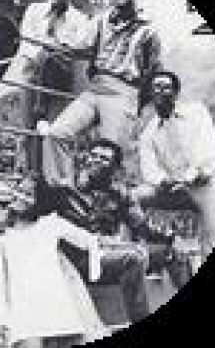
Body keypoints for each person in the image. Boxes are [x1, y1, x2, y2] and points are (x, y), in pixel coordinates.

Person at [36, 0, 161, 186]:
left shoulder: (148, 30)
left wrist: (137, 104)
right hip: (95, 87)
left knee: (111, 152)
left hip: (124, 90)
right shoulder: (101, 21)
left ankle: (108, 199)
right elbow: (82, 47)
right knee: (56, 133)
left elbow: (153, 71)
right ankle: (60, 188)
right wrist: (57, 46)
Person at [0, 0, 95, 175]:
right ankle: (28, 172)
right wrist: (44, 50)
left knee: (54, 128)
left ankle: (49, 174)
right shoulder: (34, 10)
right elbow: (25, 39)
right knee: (27, 124)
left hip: (60, 76)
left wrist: (53, 48)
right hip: (31, 70)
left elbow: (77, 45)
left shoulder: (80, 19)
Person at [0, 177, 110, 347]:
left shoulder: (51, 223)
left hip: (59, 308)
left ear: (39, 201)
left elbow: (89, 240)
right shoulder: (1, 235)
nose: (21, 196)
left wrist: (94, 273)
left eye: (29, 194)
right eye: (19, 190)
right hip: (25, 314)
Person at [46, 139, 151, 325]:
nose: (95, 160)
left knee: (173, 253)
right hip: (77, 258)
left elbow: (140, 225)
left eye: (104, 158)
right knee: (133, 258)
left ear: (114, 167)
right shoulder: (63, 189)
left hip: (108, 255)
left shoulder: (120, 193)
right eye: (93, 155)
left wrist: (146, 242)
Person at [135, 71, 215, 262]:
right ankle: (142, 253)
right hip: (173, 189)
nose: (161, 91)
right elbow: (149, 169)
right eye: (156, 87)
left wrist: (187, 179)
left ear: (175, 93)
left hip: (205, 186)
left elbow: (206, 153)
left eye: (166, 87)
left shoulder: (197, 113)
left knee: (213, 241)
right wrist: (164, 181)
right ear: (150, 93)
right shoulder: (149, 132)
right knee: (133, 197)